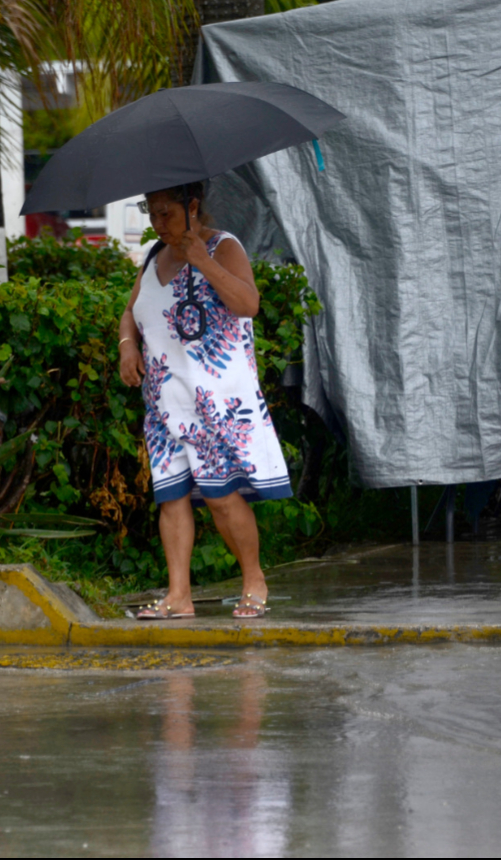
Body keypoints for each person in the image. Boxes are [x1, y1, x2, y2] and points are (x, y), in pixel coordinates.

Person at [118, 183, 292, 620]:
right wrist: (127, 345)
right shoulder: (153, 257)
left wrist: (202, 261)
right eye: (151, 213)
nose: (157, 224)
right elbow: (131, 312)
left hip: (216, 402)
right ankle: (179, 596)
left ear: (192, 206)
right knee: (171, 498)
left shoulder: (224, 246)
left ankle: (254, 579)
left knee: (221, 497)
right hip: (164, 402)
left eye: (165, 214)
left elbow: (248, 303)